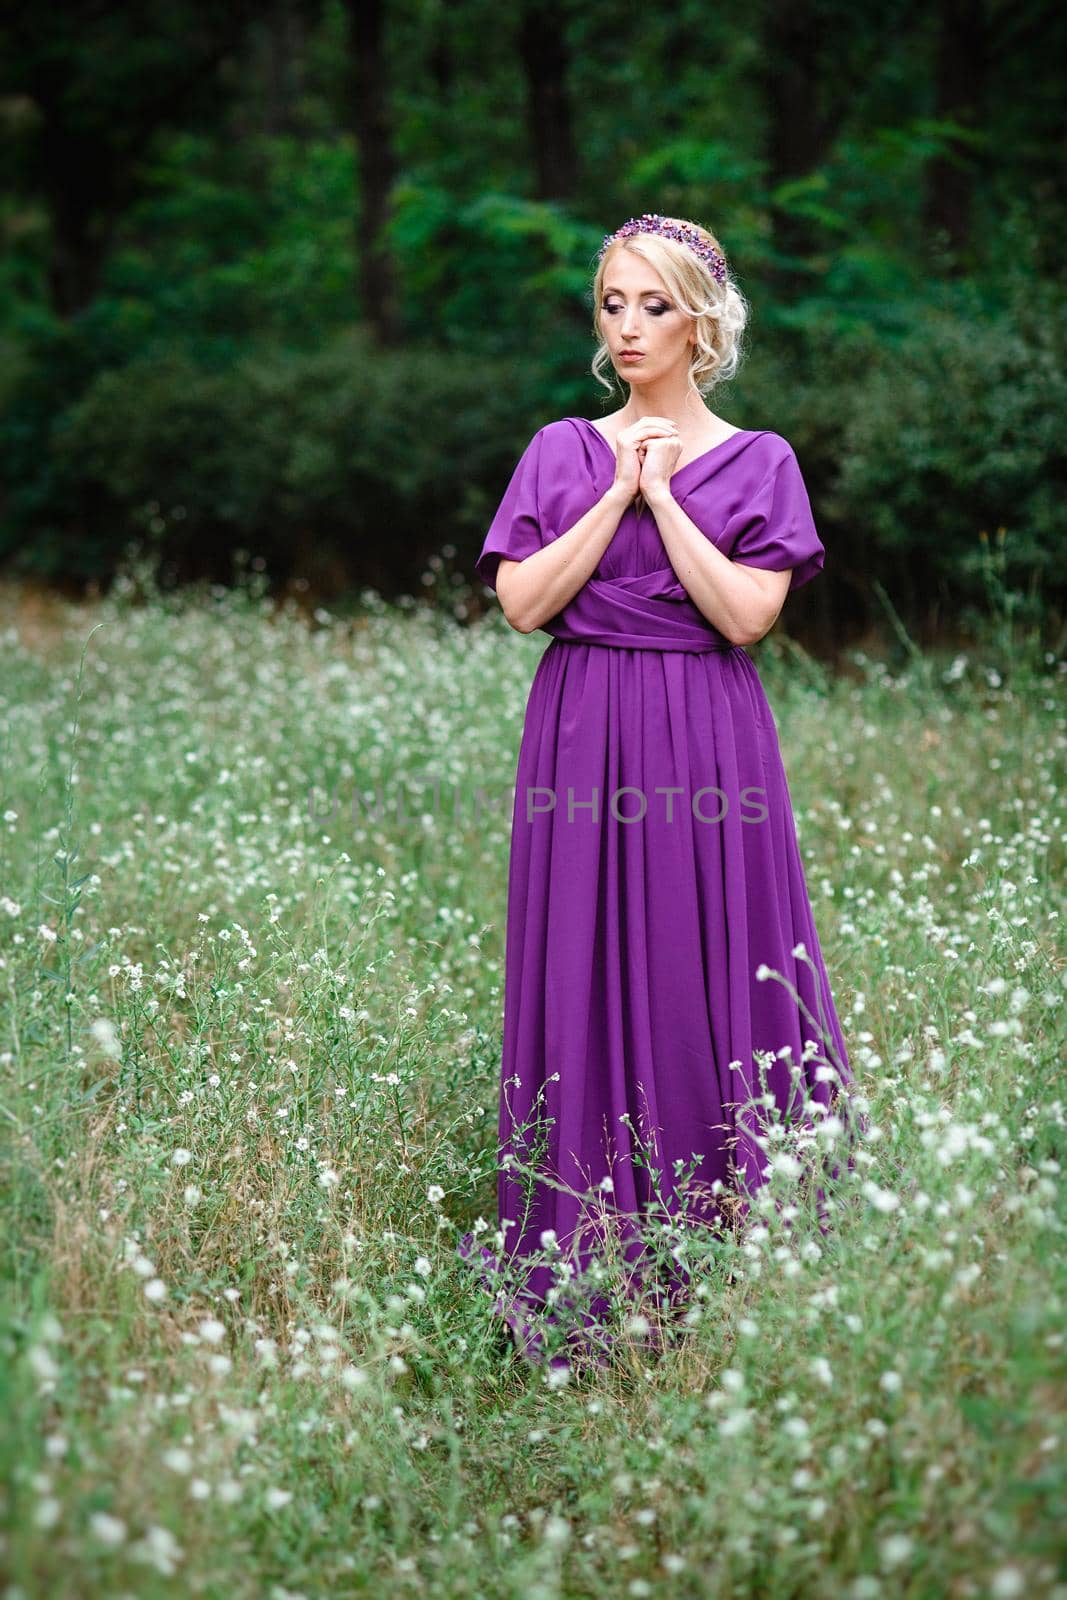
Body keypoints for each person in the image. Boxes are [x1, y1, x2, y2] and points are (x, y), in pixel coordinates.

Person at [458, 213, 862, 1370]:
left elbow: (743, 617)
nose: (626, 326)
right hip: (579, 736)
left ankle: (727, 1257)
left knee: (709, 962)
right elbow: (526, 604)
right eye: (611, 303)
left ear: (702, 323)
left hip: (705, 739)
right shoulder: (557, 449)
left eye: (652, 305)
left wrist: (667, 499)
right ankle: (583, 1271)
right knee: (578, 959)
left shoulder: (759, 459)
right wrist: (611, 494)